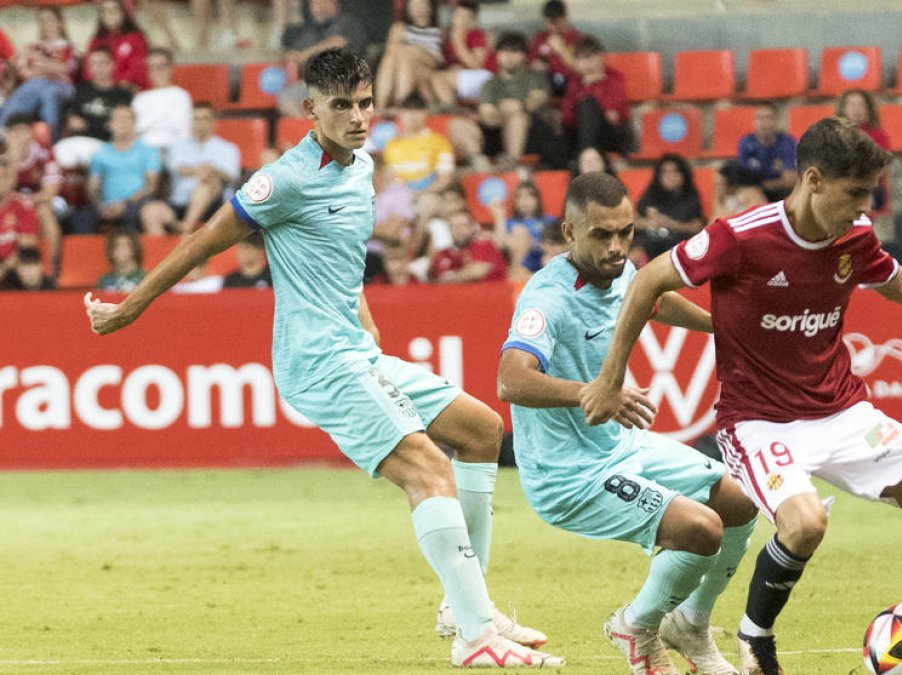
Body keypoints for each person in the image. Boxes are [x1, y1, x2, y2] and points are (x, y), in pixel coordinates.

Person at [82, 48, 561, 669]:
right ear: (311, 110)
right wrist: (130, 305)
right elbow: (202, 241)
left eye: (365, 103)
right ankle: (474, 636)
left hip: (356, 349)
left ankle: (464, 605)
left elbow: (339, 265)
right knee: (425, 470)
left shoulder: (361, 167)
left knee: (482, 430)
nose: (360, 116)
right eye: (343, 106)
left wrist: (370, 327)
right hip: (317, 361)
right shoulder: (284, 179)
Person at [580, 118, 902, 675]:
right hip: (758, 423)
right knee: (805, 524)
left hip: (843, 412)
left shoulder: (852, 238)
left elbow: (900, 282)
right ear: (812, 179)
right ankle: (755, 641)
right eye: (856, 194)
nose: (865, 209)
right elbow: (645, 283)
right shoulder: (739, 237)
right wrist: (611, 378)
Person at [498, 172, 758, 675]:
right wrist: (594, 393)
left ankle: (690, 624)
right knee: (702, 529)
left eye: (626, 232)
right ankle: (635, 626)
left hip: (621, 448)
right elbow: (510, 381)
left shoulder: (619, 271)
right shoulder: (547, 300)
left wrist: (722, 327)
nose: (617, 247)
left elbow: (650, 299)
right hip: (569, 475)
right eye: (602, 234)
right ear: (570, 232)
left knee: (741, 503)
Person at [69, 104, 168, 234]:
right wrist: (99, 206)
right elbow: (93, 186)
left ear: (134, 124)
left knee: (134, 215)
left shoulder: (148, 151)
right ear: (110, 124)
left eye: (127, 119)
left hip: (137, 203)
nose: (123, 123)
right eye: (118, 119)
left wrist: (124, 204)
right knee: (79, 218)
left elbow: (150, 186)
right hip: (105, 205)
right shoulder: (100, 153)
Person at [151, 102, 241, 233]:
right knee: (151, 212)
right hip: (178, 202)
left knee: (207, 183)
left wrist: (212, 170)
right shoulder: (177, 146)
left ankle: (186, 227)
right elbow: (176, 168)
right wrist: (200, 169)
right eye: (196, 119)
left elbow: (231, 176)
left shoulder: (228, 148)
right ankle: (162, 251)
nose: (201, 123)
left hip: (213, 206)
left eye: (205, 118)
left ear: (213, 122)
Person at [474, 32, 558, 170]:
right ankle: (505, 164)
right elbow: (488, 116)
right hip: (499, 133)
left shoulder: (534, 77)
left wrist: (517, 107)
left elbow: (535, 102)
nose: (508, 56)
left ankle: (511, 164)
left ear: (524, 55)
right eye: (504, 51)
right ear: (497, 55)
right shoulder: (490, 84)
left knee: (519, 117)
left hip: (534, 135)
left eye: (514, 52)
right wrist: (506, 112)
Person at [277, 0, 369, 116]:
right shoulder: (308, 31)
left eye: (323, 2)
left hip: (344, 84)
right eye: (314, 3)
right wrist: (291, 57)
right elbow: (293, 56)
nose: (319, 7)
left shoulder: (347, 23)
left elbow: (338, 42)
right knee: (286, 98)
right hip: (313, 85)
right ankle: (308, 130)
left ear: (335, 3)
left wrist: (304, 54)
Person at [0, 7, 77, 141]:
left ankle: (50, 143)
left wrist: (38, 64)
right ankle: (4, 135)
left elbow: (66, 69)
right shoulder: (32, 46)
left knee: (47, 91)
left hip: (61, 87)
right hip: (34, 86)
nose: (46, 24)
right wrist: (50, 66)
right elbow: (23, 71)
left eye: (50, 20)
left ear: (60, 22)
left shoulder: (69, 47)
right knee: (29, 90)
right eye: (42, 21)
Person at [54, 48, 133, 171]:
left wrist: (93, 124)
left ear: (112, 65)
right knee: (58, 153)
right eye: (94, 64)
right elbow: (65, 115)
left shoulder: (123, 95)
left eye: (102, 63)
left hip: (107, 145)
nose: (98, 67)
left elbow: (126, 124)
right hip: (77, 141)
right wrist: (69, 118)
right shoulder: (79, 90)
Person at [5, 115, 64, 276]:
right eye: (14, 132)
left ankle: (53, 268)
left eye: (22, 131)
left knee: (45, 213)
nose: (18, 137)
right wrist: (14, 160)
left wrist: (27, 201)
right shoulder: (3, 155)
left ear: (31, 132)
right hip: (9, 202)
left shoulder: (44, 152)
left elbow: (51, 191)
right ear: (7, 134)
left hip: (39, 201)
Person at [562, 35, 630, 156]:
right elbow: (567, 117)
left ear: (601, 56)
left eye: (590, 58)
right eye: (582, 59)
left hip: (610, 133)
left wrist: (591, 88)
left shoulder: (614, 78)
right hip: (578, 132)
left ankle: (585, 158)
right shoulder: (575, 81)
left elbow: (614, 115)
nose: (588, 63)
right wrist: (587, 84)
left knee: (588, 104)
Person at [635, 153, 705, 261]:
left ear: (683, 175)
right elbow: (633, 221)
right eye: (664, 172)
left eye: (675, 171)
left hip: (678, 247)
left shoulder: (690, 196)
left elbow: (698, 227)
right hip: (649, 244)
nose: (670, 176)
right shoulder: (651, 193)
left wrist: (671, 224)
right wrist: (649, 223)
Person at [375, 0, 442, 112]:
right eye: (413, 4)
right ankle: (381, 107)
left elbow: (438, 59)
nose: (417, 8)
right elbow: (392, 52)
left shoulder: (439, 31)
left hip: (426, 70)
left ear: (429, 7)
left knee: (405, 53)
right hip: (401, 68)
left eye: (421, 4)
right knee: (393, 56)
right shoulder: (399, 28)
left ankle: (400, 105)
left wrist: (414, 50)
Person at [381, 93, 455, 196]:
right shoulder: (391, 144)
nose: (412, 115)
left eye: (417, 110)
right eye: (407, 110)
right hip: (398, 197)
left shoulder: (440, 142)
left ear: (426, 113)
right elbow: (387, 177)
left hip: (428, 196)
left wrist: (420, 194)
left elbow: (445, 178)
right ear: (401, 114)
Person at [431, 0, 495, 107]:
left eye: (466, 18)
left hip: (484, 76)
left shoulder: (476, 35)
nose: (461, 21)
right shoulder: (447, 36)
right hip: (461, 76)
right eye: (458, 16)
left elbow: (477, 65)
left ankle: (452, 112)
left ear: (474, 21)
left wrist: (459, 42)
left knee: (438, 79)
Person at [836, 89, 890, 211]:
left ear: (868, 109)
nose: (856, 109)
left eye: (861, 105)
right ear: (843, 109)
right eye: (851, 105)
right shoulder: (834, 136)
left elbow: (882, 170)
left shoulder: (878, 136)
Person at [489, 180, 555, 277]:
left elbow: (558, 245)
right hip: (519, 264)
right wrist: (499, 216)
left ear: (538, 199)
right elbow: (499, 244)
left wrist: (535, 244)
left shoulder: (549, 220)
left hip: (543, 262)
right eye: (519, 197)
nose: (524, 200)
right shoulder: (510, 223)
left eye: (530, 195)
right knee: (518, 230)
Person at [131, 48, 193, 150]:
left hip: (173, 149)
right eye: (152, 67)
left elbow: (183, 131)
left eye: (161, 66)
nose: (157, 72)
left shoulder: (180, 95)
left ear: (171, 68)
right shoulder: (140, 98)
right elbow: (135, 130)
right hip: (144, 151)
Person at [734, 103, 797, 202]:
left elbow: (790, 180)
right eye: (759, 118)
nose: (763, 123)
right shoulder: (746, 143)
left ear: (776, 121)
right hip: (753, 194)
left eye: (768, 118)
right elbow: (741, 179)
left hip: (781, 195)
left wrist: (763, 186)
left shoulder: (787, 143)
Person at [83, 0, 150, 91]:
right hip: (99, 90)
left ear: (123, 13)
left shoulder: (136, 38)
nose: (110, 13)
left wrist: (113, 83)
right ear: (101, 16)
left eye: (115, 9)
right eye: (105, 10)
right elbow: (88, 71)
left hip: (128, 90)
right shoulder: (95, 41)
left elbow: (138, 70)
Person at [428, 208, 507, 283]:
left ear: (473, 227)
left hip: (492, 293)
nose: (458, 230)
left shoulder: (484, 245)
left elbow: (478, 271)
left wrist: (454, 276)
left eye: (462, 225)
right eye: (453, 226)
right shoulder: (443, 253)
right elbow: (438, 279)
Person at [529, 0, 580, 96]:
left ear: (564, 19)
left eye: (554, 23)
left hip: (569, 80)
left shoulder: (577, 38)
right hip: (544, 81)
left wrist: (561, 50)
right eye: (547, 22)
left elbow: (579, 68)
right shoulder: (539, 37)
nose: (550, 27)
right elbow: (529, 65)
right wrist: (535, 66)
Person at [96, 228, 145, 292]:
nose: (121, 249)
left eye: (126, 245)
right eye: (116, 246)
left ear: (135, 248)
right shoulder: (104, 280)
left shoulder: (145, 278)